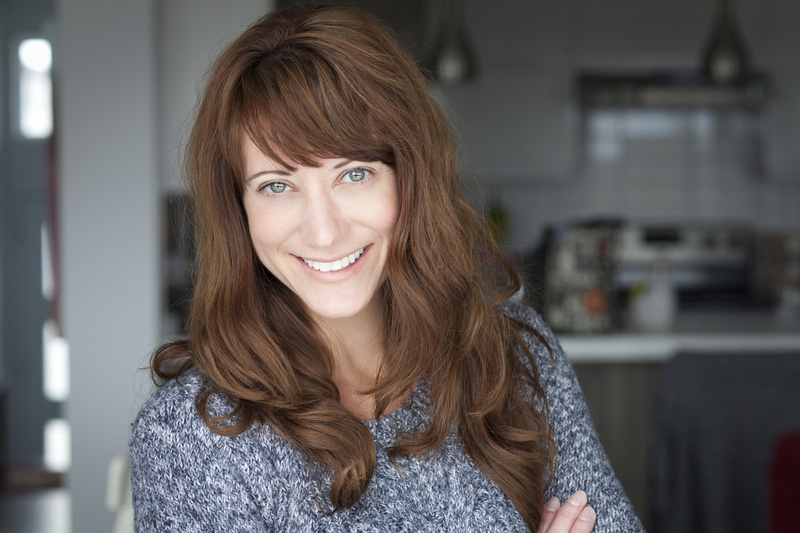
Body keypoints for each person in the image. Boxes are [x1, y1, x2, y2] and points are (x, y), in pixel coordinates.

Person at [129, 3, 644, 532]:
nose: (323, 231)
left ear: (409, 176)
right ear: (238, 207)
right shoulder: (195, 438)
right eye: (276, 186)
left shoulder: (514, 359)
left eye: (354, 174)